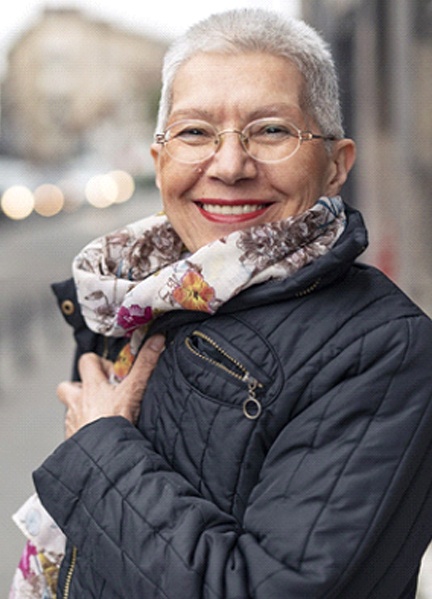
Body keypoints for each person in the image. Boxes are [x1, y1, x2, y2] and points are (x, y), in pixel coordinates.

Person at [15, 8, 432, 598]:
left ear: (336, 166)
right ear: (160, 163)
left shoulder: (385, 350)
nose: (231, 165)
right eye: (194, 133)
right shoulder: (135, 294)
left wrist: (99, 447)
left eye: (271, 130)